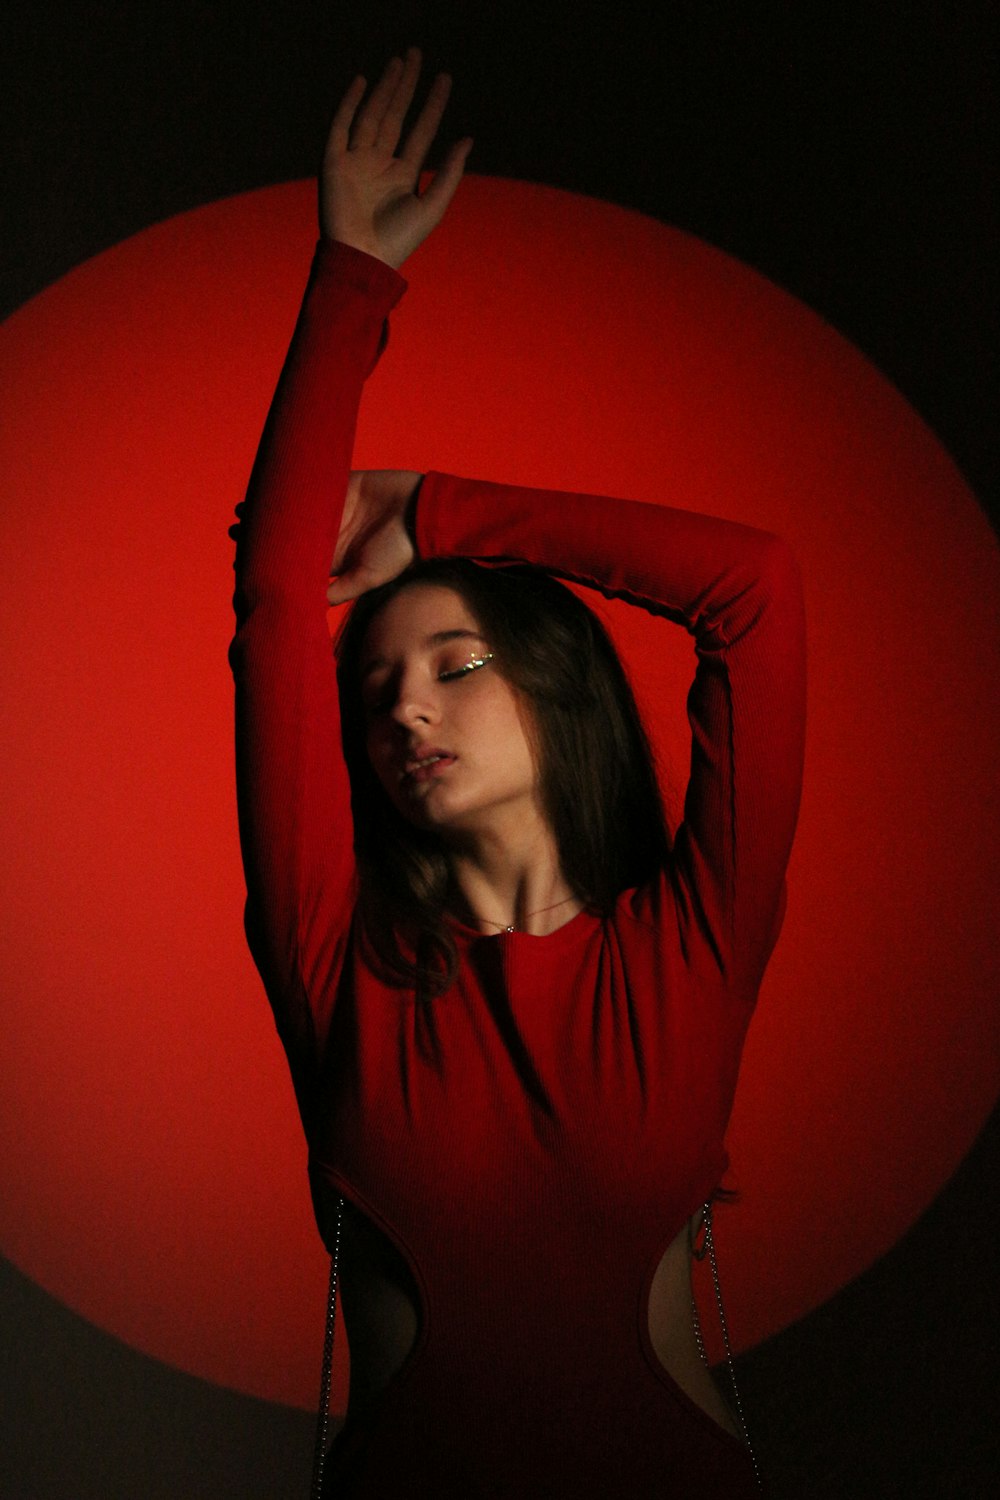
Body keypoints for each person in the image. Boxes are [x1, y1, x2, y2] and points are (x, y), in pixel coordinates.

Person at [229, 46, 806, 1500]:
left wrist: (439, 512)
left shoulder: (689, 947)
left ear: (556, 696)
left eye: (456, 664)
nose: (404, 707)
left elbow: (756, 587)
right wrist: (349, 275)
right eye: (374, 692)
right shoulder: (334, 965)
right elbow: (275, 603)